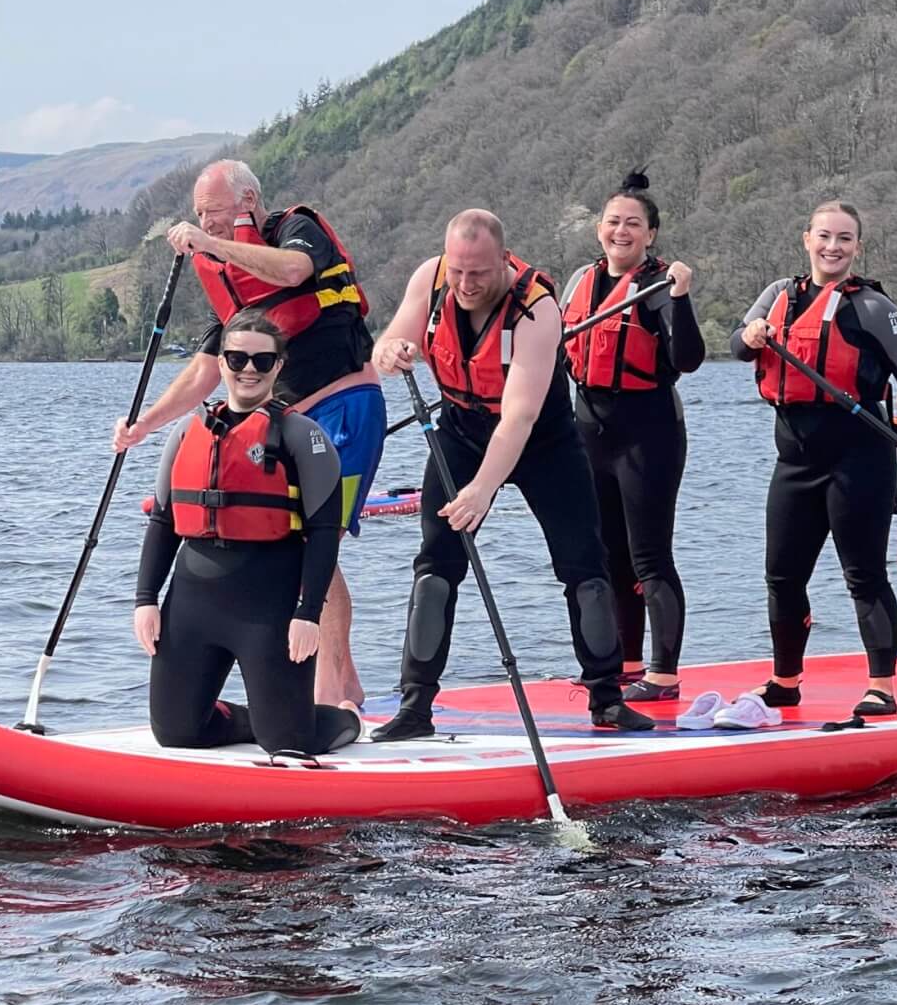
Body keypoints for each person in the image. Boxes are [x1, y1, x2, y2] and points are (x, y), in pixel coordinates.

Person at [369, 208, 653, 739]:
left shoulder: (536, 309)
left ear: (503, 260)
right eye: (458, 271)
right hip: (460, 430)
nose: (465, 284)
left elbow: (519, 416)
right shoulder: (431, 279)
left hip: (542, 441)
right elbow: (390, 340)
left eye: (478, 272)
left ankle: (607, 699)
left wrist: (481, 489)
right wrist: (391, 350)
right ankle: (415, 706)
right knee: (435, 566)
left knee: (584, 565)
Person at [113, 159, 383, 710]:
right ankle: (339, 682)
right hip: (288, 423)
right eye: (199, 216)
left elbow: (291, 273)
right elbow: (206, 370)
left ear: (248, 203)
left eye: (213, 213)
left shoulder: (294, 230)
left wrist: (214, 245)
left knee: (314, 539)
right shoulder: (229, 279)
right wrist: (144, 425)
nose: (205, 224)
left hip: (345, 408)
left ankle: (332, 691)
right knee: (285, 540)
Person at [733, 200, 897, 719]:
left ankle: (882, 687)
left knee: (863, 575)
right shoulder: (779, 295)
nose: (833, 247)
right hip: (794, 462)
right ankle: (785, 682)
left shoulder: (870, 307)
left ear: (857, 248)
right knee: (781, 576)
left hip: (858, 460)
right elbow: (738, 345)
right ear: (807, 240)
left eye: (844, 239)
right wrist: (750, 335)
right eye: (824, 236)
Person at [132, 312, 363, 755]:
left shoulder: (302, 438)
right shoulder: (187, 432)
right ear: (221, 364)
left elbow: (322, 534)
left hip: (268, 608)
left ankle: (344, 718)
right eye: (237, 358)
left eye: (262, 360)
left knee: (289, 743)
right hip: (192, 602)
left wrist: (309, 613)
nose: (249, 370)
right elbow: (163, 523)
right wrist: (145, 601)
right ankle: (252, 718)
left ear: (279, 366)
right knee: (177, 733)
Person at [559, 171, 704, 702]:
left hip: (650, 432)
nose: (621, 231)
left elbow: (687, 358)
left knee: (649, 555)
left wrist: (684, 299)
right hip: (589, 430)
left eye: (633, 224)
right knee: (606, 554)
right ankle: (624, 662)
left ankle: (663, 675)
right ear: (600, 228)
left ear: (651, 235)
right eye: (613, 222)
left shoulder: (659, 285)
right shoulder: (580, 281)